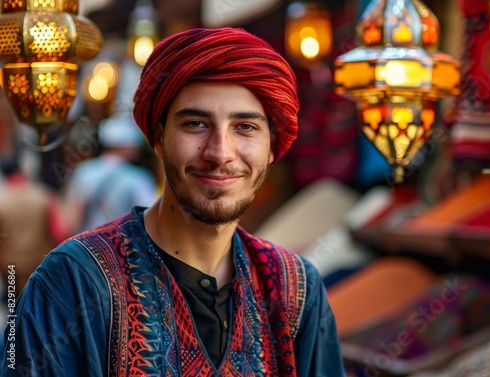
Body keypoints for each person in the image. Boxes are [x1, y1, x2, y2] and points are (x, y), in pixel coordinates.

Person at [1, 27, 346, 376]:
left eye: (245, 127)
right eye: (195, 124)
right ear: (159, 139)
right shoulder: (74, 281)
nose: (220, 153)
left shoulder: (296, 290)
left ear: (272, 147)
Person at [63, 111, 158, 234]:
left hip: (86, 246)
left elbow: (71, 219)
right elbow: (150, 220)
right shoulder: (138, 178)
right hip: (122, 248)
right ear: (127, 146)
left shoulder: (84, 171)